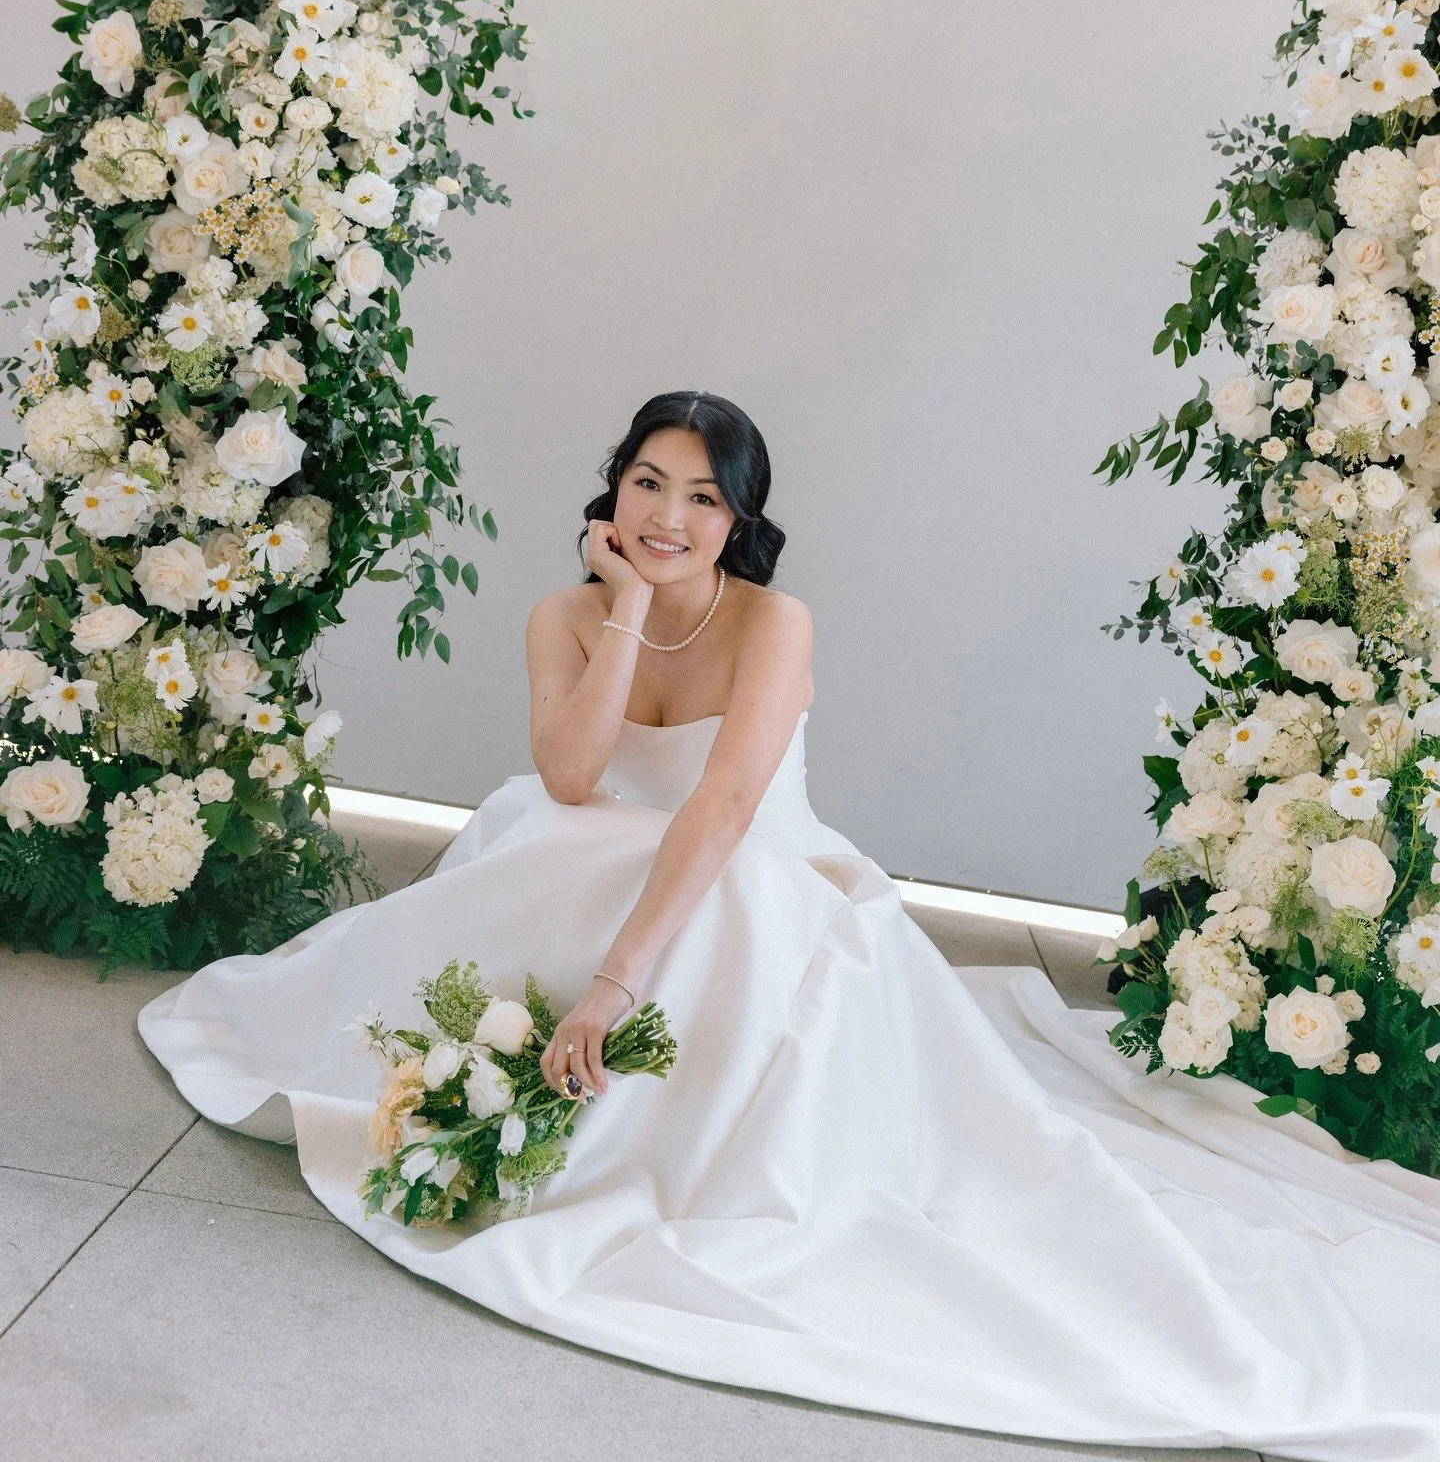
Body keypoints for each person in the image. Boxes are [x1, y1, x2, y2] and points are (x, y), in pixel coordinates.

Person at [140, 392, 1440, 1461]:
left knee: (736, 907)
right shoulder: (566, 615)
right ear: (614, 492)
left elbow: (721, 811)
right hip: (588, 850)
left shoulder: (778, 623)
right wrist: (628, 613)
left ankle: (660, 1150)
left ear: (743, 518)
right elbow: (576, 779)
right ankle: (538, 1101)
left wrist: (609, 986)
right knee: (555, 841)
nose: (670, 515)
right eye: (649, 483)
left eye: (704, 497)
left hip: (750, 871)